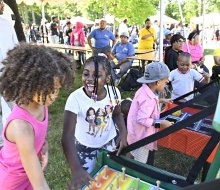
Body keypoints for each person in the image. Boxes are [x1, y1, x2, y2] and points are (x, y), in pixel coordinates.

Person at [0, 43, 73, 189]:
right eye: (47, 90)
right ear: (30, 84)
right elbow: (40, 184)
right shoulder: (21, 127)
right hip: (13, 182)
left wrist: (42, 145)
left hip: (29, 173)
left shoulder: (41, 103)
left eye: (57, 90)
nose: (53, 96)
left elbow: (38, 132)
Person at [62, 55, 127, 189]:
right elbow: (67, 136)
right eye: (86, 74)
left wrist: (123, 132)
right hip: (85, 147)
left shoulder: (114, 93)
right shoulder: (75, 98)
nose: (90, 79)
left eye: (96, 75)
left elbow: (117, 114)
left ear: (107, 78)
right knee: (83, 182)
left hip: (109, 142)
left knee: (108, 178)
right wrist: (76, 169)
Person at [127, 61, 172, 164]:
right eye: (165, 82)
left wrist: (161, 100)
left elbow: (144, 106)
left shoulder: (144, 91)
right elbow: (142, 119)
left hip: (135, 133)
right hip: (142, 138)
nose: (166, 84)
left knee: (135, 152)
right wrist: (161, 123)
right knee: (142, 163)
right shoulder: (149, 100)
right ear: (158, 82)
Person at [0, 0, 19, 148]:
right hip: (7, 72)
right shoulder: (5, 23)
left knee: (14, 107)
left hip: (7, 73)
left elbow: (16, 49)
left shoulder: (5, 23)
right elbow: (16, 49)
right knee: (15, 108)